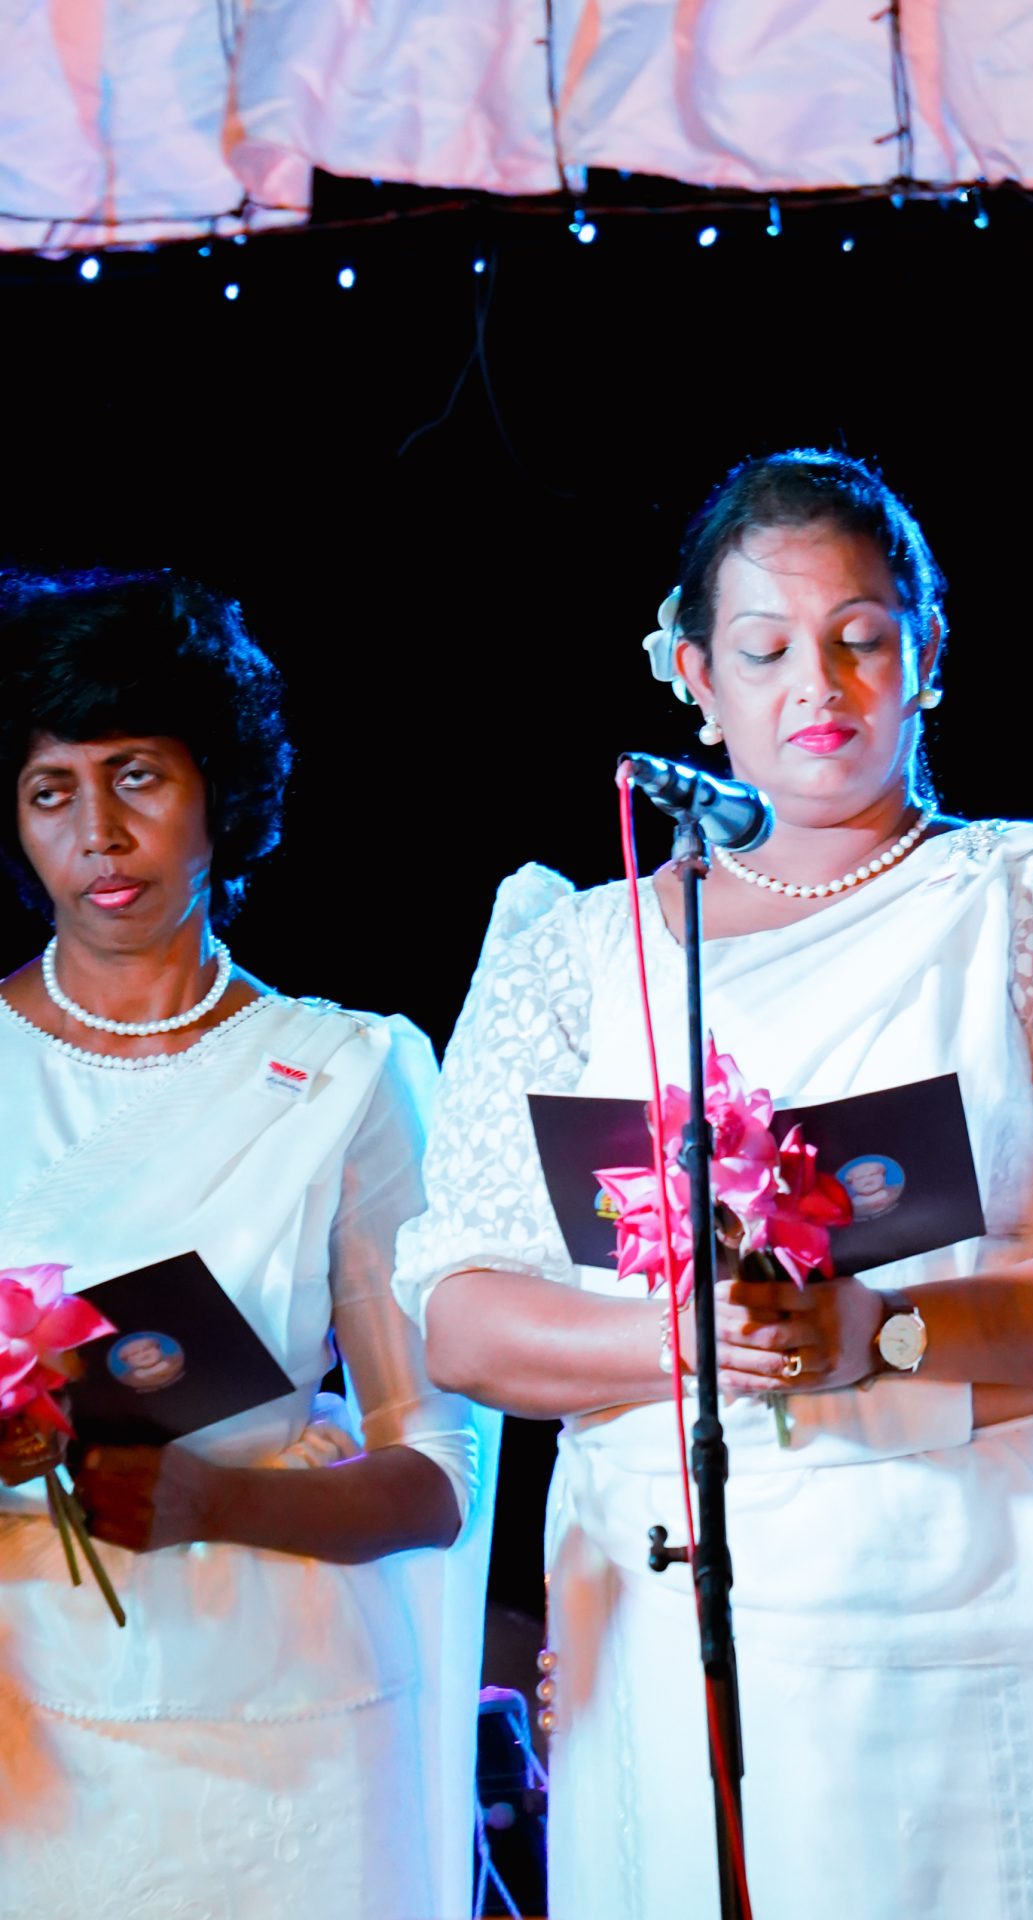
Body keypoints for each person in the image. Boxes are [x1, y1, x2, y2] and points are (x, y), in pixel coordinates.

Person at [392, 449, 1033, 1920]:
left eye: (862, 637)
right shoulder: (577, 950)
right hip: (677, 1615)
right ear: (692, 675)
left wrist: (888, 1333)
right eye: (768, 648)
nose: (822, 684)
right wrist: (692, 1343)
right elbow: (466, 1318)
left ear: (929, 651)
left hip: (996, 1591)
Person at [0, 571, 499, 1920]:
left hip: (287, 1745)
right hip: (30, 1743)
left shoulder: (350, 1070)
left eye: (138, 776)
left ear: (220, 784)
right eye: (53, 790)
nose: (100, 834)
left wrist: (219, 1503)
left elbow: (436, 1473)